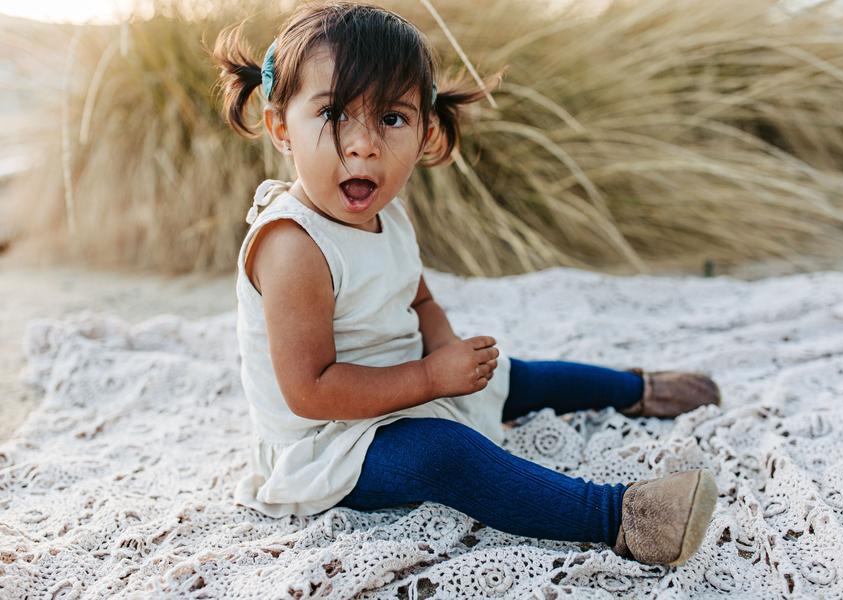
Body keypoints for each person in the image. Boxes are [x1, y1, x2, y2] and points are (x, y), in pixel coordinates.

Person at [211, 0, 720, 566]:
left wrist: (445, 348)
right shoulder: (293, 246)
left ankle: (638, 389)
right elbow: (311, 389)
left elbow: (417, 296)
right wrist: (431, 376)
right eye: (332, 114)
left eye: (392, 118)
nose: (364, 144)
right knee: (445, 454)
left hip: (398, 389)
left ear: (426, 131)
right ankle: (620, 517)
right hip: (329, 443)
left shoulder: (386, 212)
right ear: (282, 127)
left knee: (512, 375)